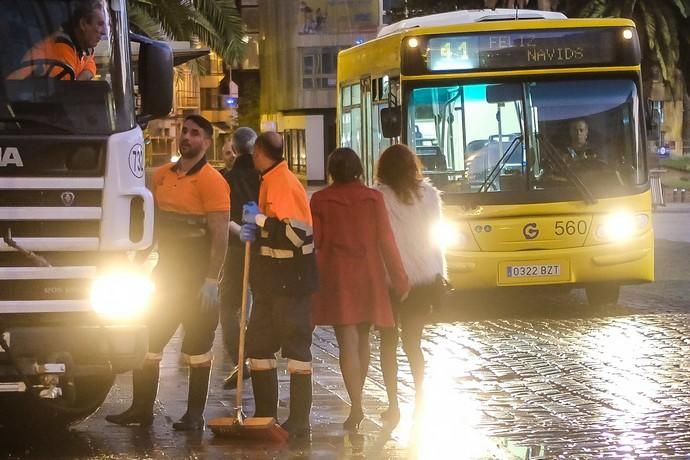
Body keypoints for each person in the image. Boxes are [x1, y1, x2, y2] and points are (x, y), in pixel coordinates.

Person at [106, 115, 230, 431]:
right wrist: (137, 258)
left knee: (198, 350)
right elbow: (153, 225)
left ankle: (193, 416)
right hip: (166, 275)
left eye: (195, 133)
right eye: (184, 131)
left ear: (207, 142)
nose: (186, 137)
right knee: (149, 341)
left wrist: (211, 280)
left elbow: (220, 236)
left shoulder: (213, 182)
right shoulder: (160, 176)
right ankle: (141, 408)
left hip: (197, 279)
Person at [310, 148, 409, 431]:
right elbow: (386, 241)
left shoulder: (320, 200)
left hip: (337, 274)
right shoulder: (373, 198)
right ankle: (357, 400)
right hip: (369, 274)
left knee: (347, 342)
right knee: (363, 338)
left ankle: (356, 404)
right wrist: (400, 278)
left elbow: (317, 240)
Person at [239, 131, 317, 440]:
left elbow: (298, 236)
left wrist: (259, 222)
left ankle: (299, 421)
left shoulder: (283, 183)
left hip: (291, 282)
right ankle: (265, 416)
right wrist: (253, 232)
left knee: (296, 348)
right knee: (258, 346)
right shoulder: (270, 180)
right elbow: (276, 232)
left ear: (259, 152)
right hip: (271, 282)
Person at [375, 143, 445, 426]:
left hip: (390, 280)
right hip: (424, 278)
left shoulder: (379, 197)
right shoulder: (429, 196)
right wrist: (439, 273)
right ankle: (419, 399)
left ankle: (393, 404)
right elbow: (436, 237)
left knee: (388, 344)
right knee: (413, 343)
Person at [218, 127, 260, 390]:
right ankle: (257, 356)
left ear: (234, 148)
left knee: (228, 306)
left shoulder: (226, 179)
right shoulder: (264, 178)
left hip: (234, 250)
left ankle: (240, 358)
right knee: (261, 305)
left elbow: (221, 215)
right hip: (264, 249)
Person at [7, 0, 106, 80]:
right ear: (83, 24)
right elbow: (66, 97)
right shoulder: (61, 49)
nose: (104, 32)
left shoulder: (83, 46)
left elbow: (90, 63)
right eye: (100, 24)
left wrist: (82, 77)